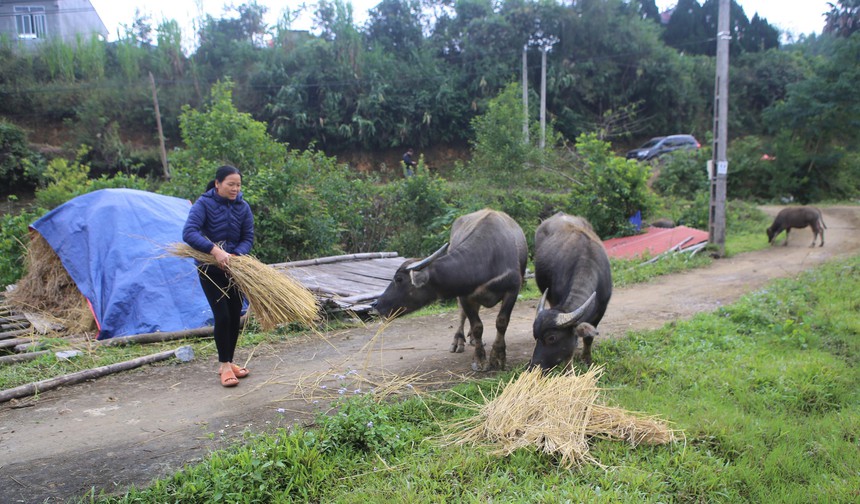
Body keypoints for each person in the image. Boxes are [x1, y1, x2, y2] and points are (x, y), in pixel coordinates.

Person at [183, 165, 255, 387]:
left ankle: (229, 361)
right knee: (222, 315)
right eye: (230, 184)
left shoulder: (243, 207)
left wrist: (236, 255)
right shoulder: (203, 204)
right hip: (210, 269)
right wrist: (215, 251)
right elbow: (189, 232)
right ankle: (224, 365)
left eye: (238, 185)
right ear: (217, 184)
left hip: (234, 269)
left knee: (234, 316)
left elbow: (248, 236)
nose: (235, 189)